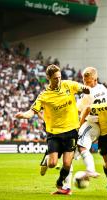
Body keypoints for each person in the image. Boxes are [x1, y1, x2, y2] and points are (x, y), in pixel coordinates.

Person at [15, 64, 90, 195]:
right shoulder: (44, 96)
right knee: (52, 163)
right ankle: (46, 157)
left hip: (72, 130)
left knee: (67, 164)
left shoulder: (68, 85)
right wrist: (24, 115)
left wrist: (85, 89)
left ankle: (60, 181)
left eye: (59, 77)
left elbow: (81, 87)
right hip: (54, 133)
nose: (58, 80)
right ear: (48, 78)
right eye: (55, 78)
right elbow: (32, 111)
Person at [61, 66, 107, 190]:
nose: (86, 85)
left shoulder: (88, 94)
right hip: (102, 126)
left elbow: (79, 109)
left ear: (95, 79)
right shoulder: (104, 89)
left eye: (88, 82)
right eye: (84, 82)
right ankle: (66, 187)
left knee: (81, 147)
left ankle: (90, 170)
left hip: (91, 124)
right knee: (69, 156)